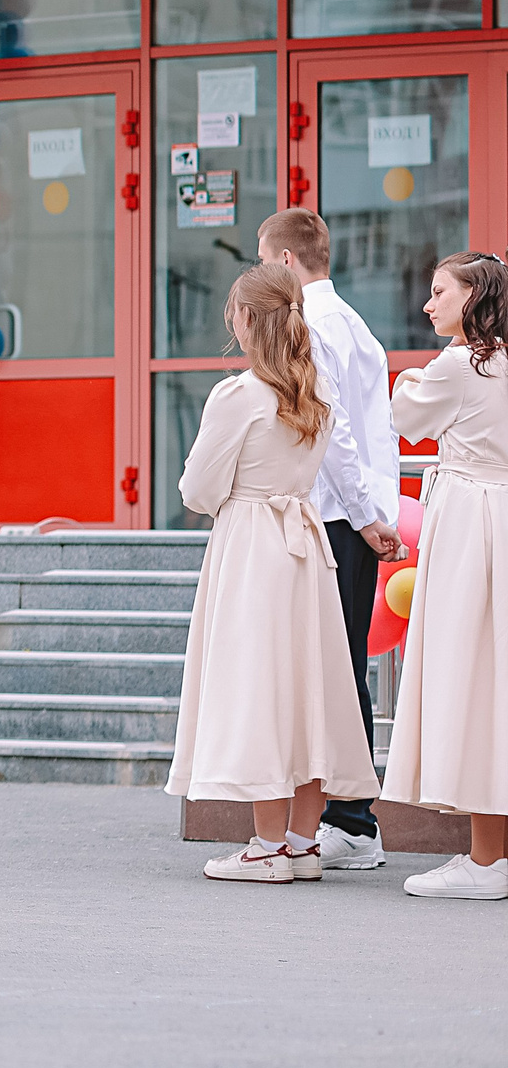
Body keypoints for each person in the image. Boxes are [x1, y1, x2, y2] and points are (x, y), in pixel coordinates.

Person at [164, 264, 379, 884]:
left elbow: (197, 489)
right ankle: (303, 844)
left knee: (261, 685)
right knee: (308, 689)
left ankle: (265, 847)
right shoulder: (316, 392)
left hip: (254, 545)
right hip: (306, 544)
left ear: (247, 320)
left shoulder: (239, 395)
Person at [255, 208, 406, 868]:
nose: (261, 273)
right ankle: (347, 817)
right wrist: (377, 508)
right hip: (353, 514)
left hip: (335, 518)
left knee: (333, 670)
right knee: (342, 667)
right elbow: (378, 429)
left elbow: (332, 426)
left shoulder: (312, 323)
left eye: (265, 260)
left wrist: (366, 515)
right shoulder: (354, 322)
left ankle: (352, 822)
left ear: (286, 261)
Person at [383, 252, 508, 900]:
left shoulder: (463, 363)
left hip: (470, 523)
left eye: (440, 292)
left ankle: (487, 861)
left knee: (471, 678)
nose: (429, 304)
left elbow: (405, 418)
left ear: (473, 297)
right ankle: (491, 854)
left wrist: (408, 378)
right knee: (496, 679)